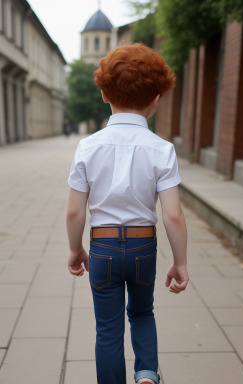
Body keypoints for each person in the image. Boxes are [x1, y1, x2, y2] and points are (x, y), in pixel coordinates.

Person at [66, 43, 189, 384]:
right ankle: (148, 374)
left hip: (103, 248)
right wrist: (180, 261)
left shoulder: (88, 147)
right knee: (142, 312)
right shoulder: (162, 150)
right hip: (142, 248)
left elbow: (75, 210)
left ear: (104, 93)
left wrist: (76, 249)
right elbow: (174, 215)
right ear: (156, 98)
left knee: (107, 329)